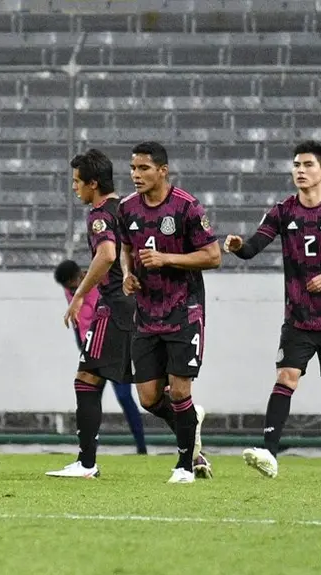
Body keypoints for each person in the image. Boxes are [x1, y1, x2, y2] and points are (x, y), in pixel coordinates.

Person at [225, 141, 321, 482]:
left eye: (307, 165)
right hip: (299, 318)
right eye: (296, 165)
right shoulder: (282, 211)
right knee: (286, 377)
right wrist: (237, 247)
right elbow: (252, 248)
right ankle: (269, 453)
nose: (300, 170)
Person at [118, 141, 220, 484]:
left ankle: (184, 465)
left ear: (162, 171)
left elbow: (213, 256)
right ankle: (192, 429)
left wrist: (167, 258)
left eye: (143, 168)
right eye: (133, 168)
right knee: (148, 397)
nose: (135, 175)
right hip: (146, 313)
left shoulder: (186, 207)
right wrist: (129, 275)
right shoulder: (127, 208)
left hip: (183, 310)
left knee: (179, 391)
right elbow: (126, 248)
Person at [51, 258, 148, 461]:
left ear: (79, 276)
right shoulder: (72, 292)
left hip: (112, 343)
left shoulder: (98, 281)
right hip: (91, 347)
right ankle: (88, 452)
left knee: (124, 397)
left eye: (71, 284)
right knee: (89, 396)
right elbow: (79, 322)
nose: (70, 290)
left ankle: (141, 447)